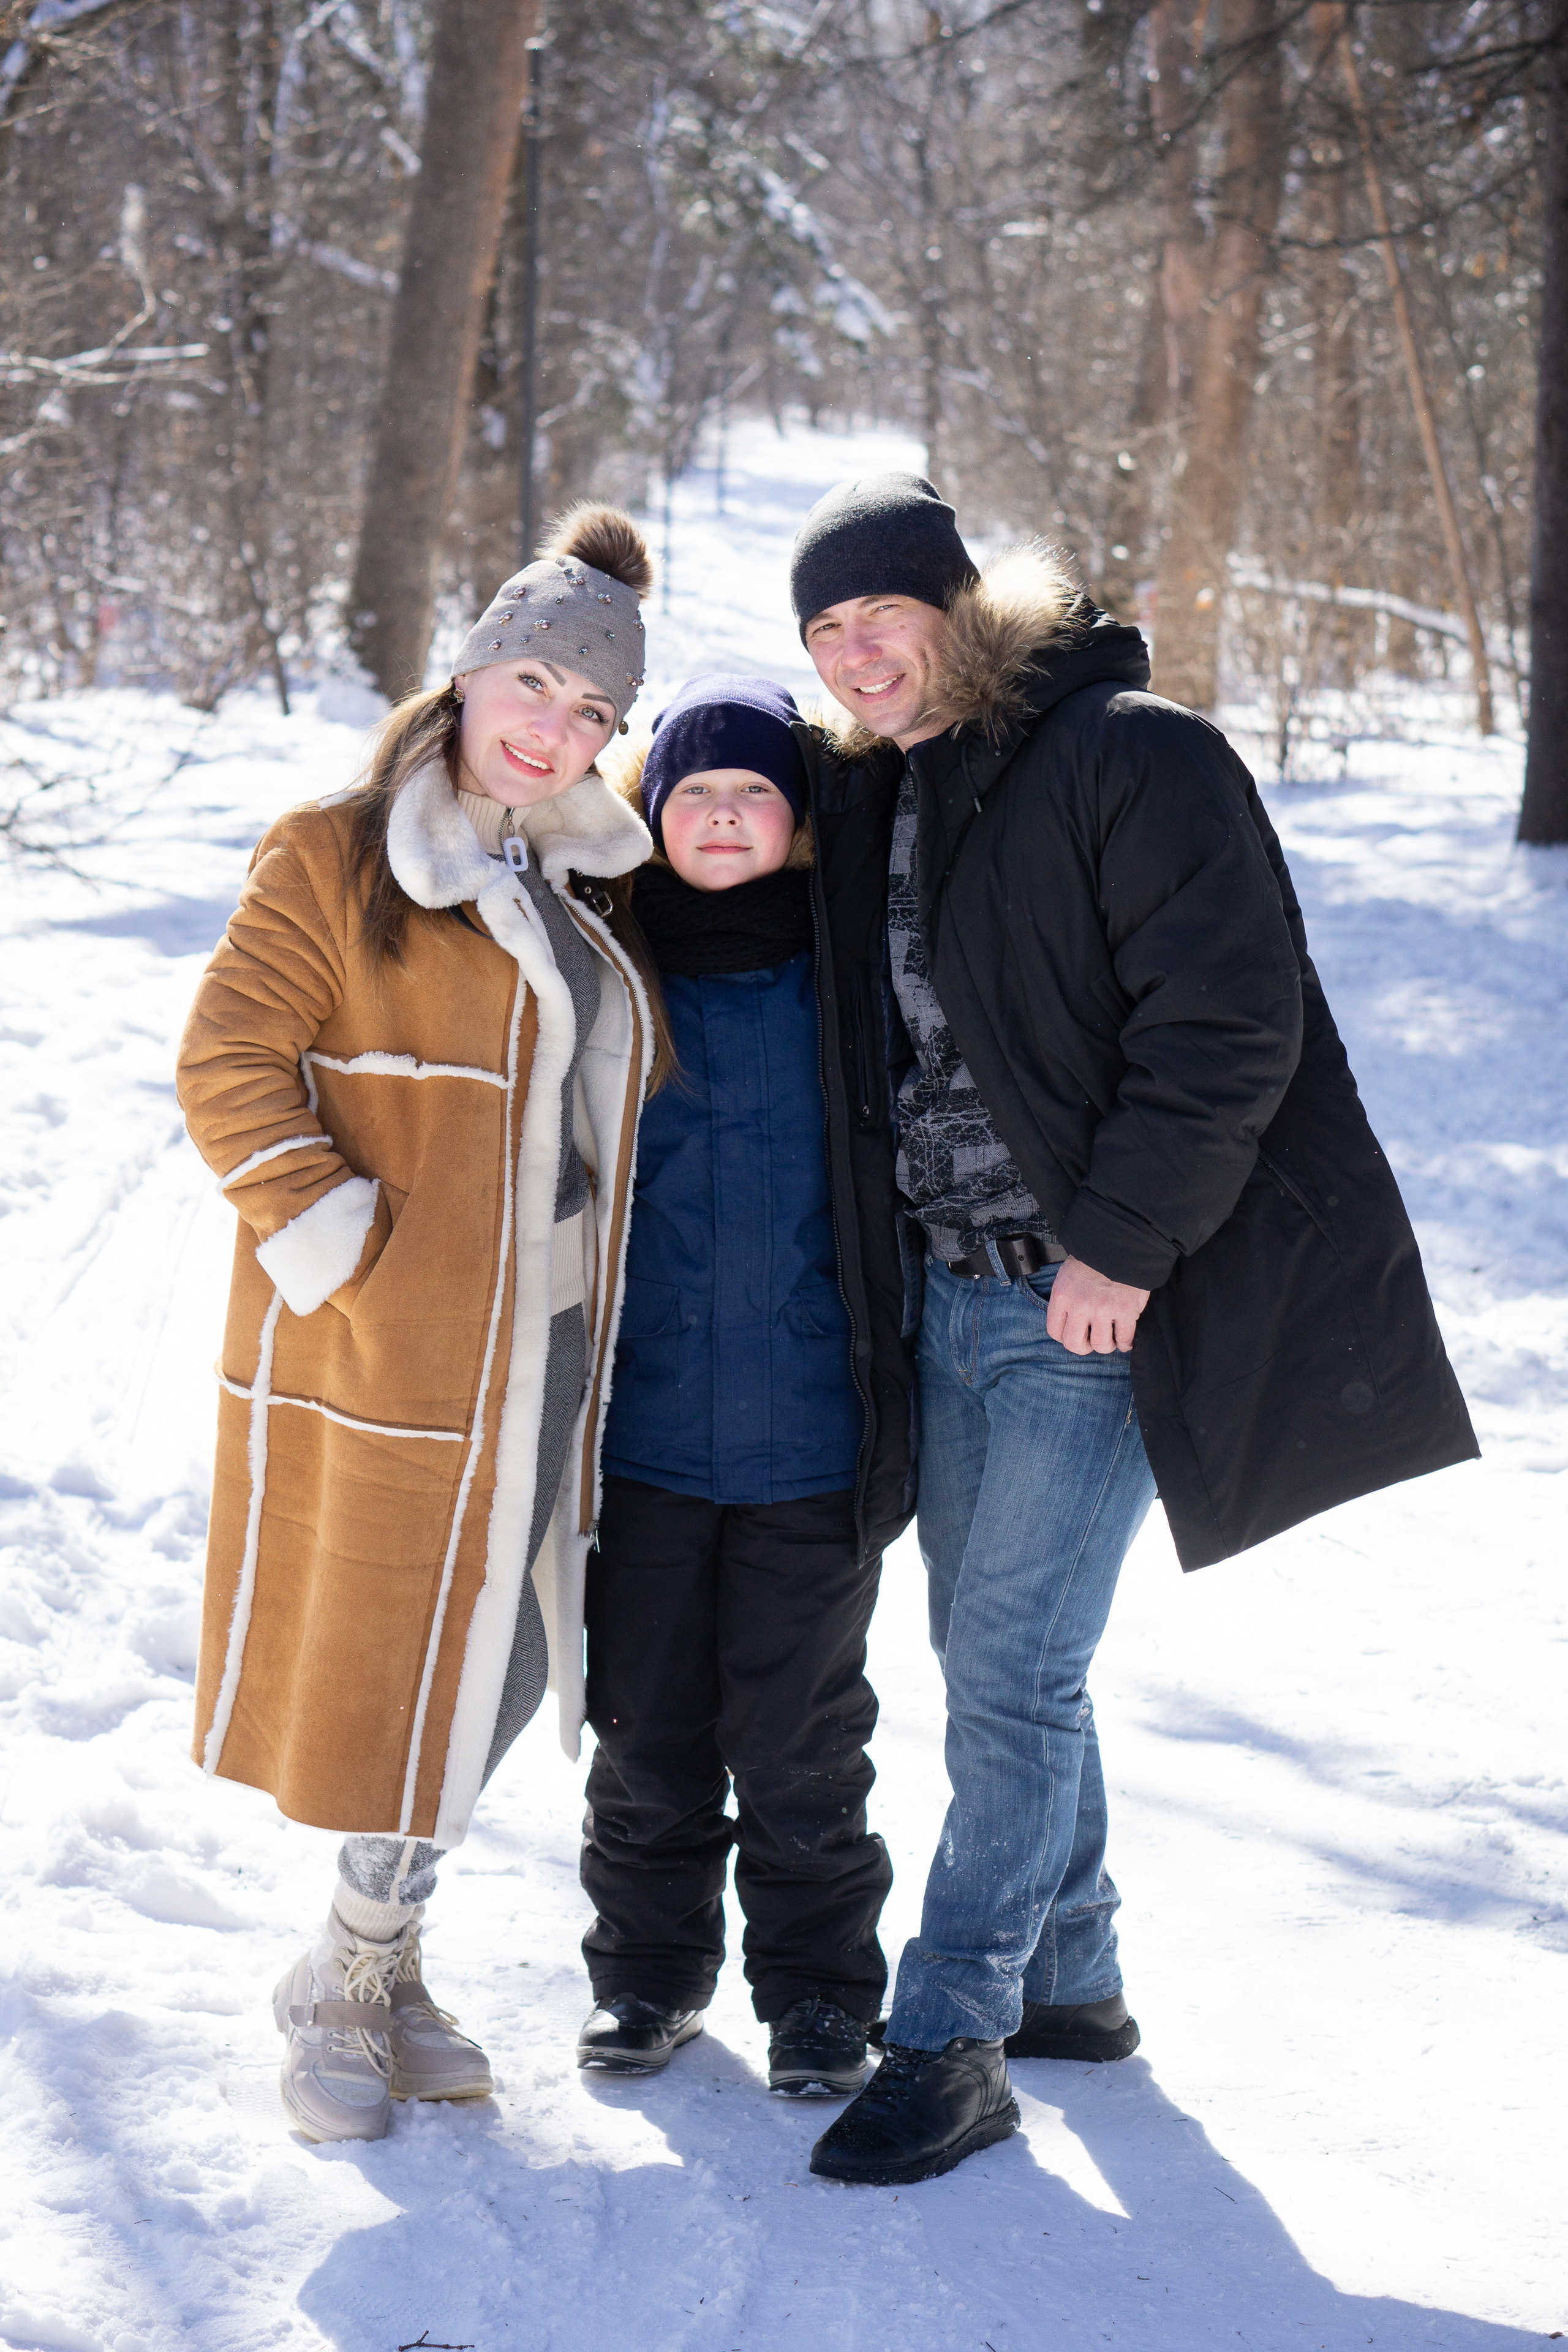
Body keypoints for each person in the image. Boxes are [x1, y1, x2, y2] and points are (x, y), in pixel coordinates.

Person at [785, 472, 1477, 2186]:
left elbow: (1228, 1022)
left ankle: (952, 2039)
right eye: (823, 632)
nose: (857, 653)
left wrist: (1122, 1243)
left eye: (880, 612)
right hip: (944, 1289)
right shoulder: (890, 792)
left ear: (958, 604)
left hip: (1079, 1298)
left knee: (1013, 1676)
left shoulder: (1130, 754)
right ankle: (1075, 1980)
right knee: (995, 1658)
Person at [175, 506, 666, 2144]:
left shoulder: (590, 868)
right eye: (534, 683)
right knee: (404, 1664)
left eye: (593, 713)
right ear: (467, 671)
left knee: (504, 1667)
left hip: (553, 1355)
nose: (556, 728)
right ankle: (347, 1973)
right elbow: (227, 1071)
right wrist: (351, 1254)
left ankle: (374, 1960)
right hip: (396, 1348)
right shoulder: (332, 848)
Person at [573, 673, 915, 2098]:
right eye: (694, 793)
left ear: (799, 823)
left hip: (809, 1445)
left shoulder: (847, 972)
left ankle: (822, 1998)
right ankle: (648, 1983)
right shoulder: (608, 965)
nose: (721, 815)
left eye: (753, 794)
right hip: (642, 1436)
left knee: (799, 1739)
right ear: (650, 815)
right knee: (645, 1728)